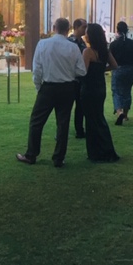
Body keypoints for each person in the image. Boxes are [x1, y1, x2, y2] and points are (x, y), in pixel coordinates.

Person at [16, 18, 87, 167]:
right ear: (68, 29)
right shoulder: (73, 47)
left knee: (36, 121)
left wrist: (38, 87)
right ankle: (59, 158)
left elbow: (37, 69)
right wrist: (69, 72)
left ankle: (31, 154)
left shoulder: (43, 44)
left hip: (48, 87)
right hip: (67, 88)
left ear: (54, 28)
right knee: (63, 123)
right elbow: (82, 71)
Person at [82, 23, 119, 163]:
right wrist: (101, 69)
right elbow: (114, 65)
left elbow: (83, 71)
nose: (85, 35)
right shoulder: (105, 51)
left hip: (89, 88)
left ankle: (96, 152)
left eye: (87, 33)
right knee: (99, 118)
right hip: (100, 87)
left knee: (91, 121)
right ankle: (105, 149)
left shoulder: (88, 52)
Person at [68, 18, 88, 138]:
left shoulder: (82, 42)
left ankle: (79, 130)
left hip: (81, 79)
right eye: (83, 27)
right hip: (71, 78)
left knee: (80, 106)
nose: (85, 29)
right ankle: (61, 131)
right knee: (67, 107)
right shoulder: (70, 42)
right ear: (76, 27)